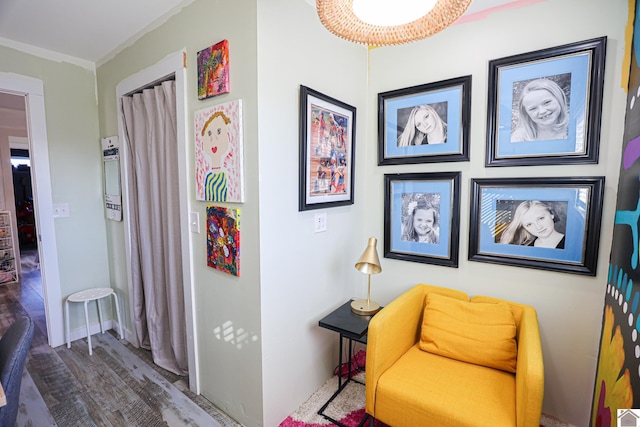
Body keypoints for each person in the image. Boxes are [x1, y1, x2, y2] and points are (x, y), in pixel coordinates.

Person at [499, 200, 565, 248]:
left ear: (552, 214)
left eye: (541, 218)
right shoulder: (526, 249)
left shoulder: (571, 245)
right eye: (529, 224)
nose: (538, 227)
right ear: (524, 228)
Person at [202, 111, 231, 201]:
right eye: (209, 133)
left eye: (219, 132)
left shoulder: (225, 177)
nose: (213, 138)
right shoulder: (209, 178)